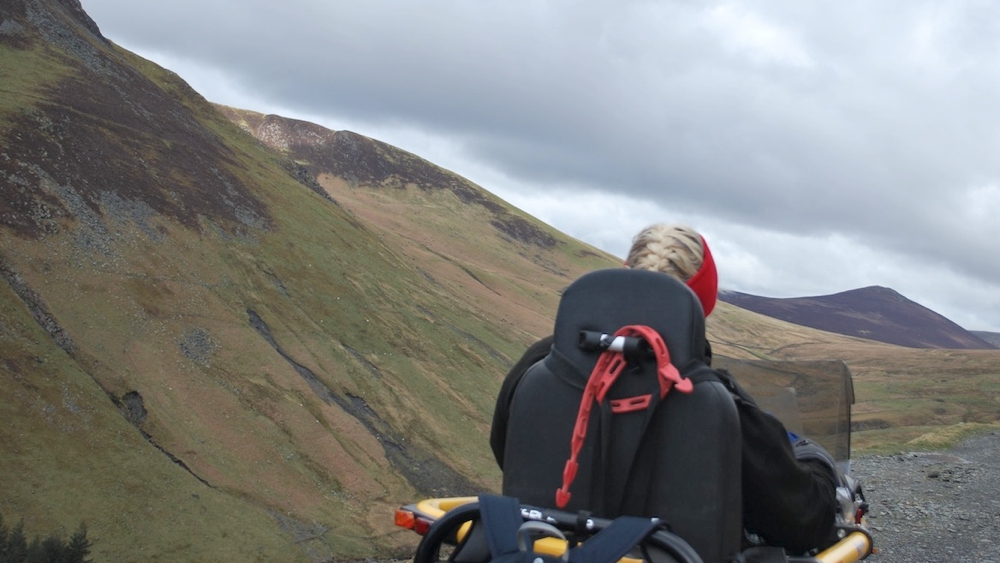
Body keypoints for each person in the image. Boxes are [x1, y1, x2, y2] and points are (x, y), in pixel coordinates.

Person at [490, 224, 840, 554]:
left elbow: (509, 452)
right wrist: (816, 464)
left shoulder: (542, 366)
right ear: (702, 304)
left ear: (624, 277)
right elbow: (804, 523)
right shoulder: (716, 402)